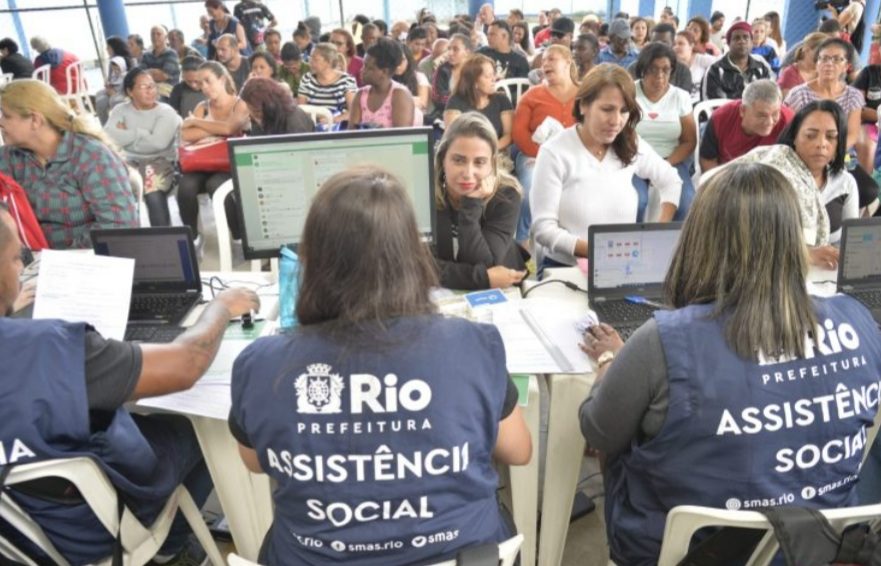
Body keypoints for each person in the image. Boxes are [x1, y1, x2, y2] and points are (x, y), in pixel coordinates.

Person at [579, 162, 881, 565]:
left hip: (688, 553)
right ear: (793, 239)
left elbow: (598, 430)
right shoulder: (858, 319)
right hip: (817, 547)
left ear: (700, 238)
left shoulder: (663, 341)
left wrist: (610, 359)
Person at [229, 164, 531, 564]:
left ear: (313, 258)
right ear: (413, 253)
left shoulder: (261, 363)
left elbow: (255, 462)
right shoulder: (473, 345)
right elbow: (519, 450)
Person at [0, 201, 260, 564]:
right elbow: (187, 365)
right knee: (199, 430)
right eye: (16, 259)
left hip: (20, 538)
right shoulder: (46, 347)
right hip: (93, 532)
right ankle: (172, 546)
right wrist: (221, 306)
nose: (21, 269)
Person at [531, 64, 681, 270]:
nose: (616, 121)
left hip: (621, 267)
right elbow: (543, 229)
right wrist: (602, 250)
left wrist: (658, 231)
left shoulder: (630, 143)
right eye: (607, 109)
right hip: (566, 270)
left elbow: (671, 180)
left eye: (624, 111)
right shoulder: (555, 152)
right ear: (583, 105)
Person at [0, 80, 136, 249]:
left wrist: (59, 260)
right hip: (26, 262)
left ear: (35, 119)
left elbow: (119, 226)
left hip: (86, 262)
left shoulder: (90, 156)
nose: (1, 123)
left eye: (6, 115)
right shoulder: (8, 157)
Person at [433, 112, 527, 289]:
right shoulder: (426, 191)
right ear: (443, 158)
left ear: (492, 163)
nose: (468, 173)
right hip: (442, 295)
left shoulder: (507, 195)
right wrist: (481, 278)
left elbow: (487, 264)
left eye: (479, 162)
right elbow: (418, 267)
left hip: (502, 296)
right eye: (459, 160)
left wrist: (470, 206)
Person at [512, 44, 579, 242]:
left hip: (576, 157)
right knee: (529, 193)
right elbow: (519, 133)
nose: (545, 64)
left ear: (568, 63)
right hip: (534, 156)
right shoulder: (531, 96)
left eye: (552, 59)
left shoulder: (586, 94)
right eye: (543, 61)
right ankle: (521, 243)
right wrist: (543, 156)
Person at [177, 61, 249, 244]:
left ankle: (238, 235)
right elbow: (186, 133)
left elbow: (231, 128)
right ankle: (192, 238)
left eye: (208, 81)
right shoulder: (203, 106)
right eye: (201, 83)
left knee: (215, 186)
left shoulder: (240, 104)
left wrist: (197, 122)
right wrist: (219, 128)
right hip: (202, 162)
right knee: (185, 187)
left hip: (227, 162)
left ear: (222, 79)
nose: (205, 88)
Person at [104, 68, 181, 227]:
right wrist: (141, 133)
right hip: (129, 162)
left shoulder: (166, 112)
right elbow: (108, 137)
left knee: (152, 193)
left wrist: (126, 137)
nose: (150, 91)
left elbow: (158, 144)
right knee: (112, 190)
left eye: (152, 86)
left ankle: (165, 241)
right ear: (130, 92)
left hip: (161, 162)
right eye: (143, 87)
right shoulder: (120, 110)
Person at [632, 44, 696, 222]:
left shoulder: (680, 97)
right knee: (636, 201)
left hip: (671, 160)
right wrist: (645, 165)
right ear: (643, 69)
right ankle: (631, 245)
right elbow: (620, 136)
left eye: (665, 70)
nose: (659, 76)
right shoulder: (629, 92)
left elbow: (689, 141)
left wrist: (664, 165)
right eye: (653, 69)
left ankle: (672, 247)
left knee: (686, 203)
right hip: (634, 160)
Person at [699, 79, 794, 173]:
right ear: (743, 110)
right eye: (761, 115)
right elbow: (708, 160)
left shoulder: (788, 121)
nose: (769, 122)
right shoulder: (720, 118)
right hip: (728, 175)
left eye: (775, 114)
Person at [785, 38, 864, 151]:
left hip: (839, 152)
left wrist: (832, 153)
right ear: (817, 64)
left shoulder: (854, 96)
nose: (829, 63)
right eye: (824, 58)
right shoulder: (798, 94)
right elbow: (791, 132)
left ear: (846, 67)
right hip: (804, 152)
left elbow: (852, 134)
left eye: (837, 59)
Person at [349, 38, 421, 129]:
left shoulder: (399, 95)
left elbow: (402, 138)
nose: (362, 70)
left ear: (384, 72)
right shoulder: (360, 95)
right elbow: (352, 134)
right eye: (363, 65)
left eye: (369, 67)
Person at [445, 54, 513, 149]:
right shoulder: (455, 101)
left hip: (496, 152)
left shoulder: (502, 100)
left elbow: (508, 135)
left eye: (493, 74)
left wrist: (489, 150)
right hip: (464, 152)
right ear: (474, 81)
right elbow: (452, 137)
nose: (494, 79)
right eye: (488, 76)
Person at [702, 22, 772, 101]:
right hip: (726, 113)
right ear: (728, 44)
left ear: (752, 43)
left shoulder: (761, 68)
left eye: (746, 37)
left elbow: (769, 97)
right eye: (736, 38)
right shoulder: (716, 70)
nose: (742, 41)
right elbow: (713, 103)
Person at [296, 42, 357, 126]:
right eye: (310, 58)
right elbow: (302, 109)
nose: (310, 62)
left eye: (315, 59)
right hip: (312, 127)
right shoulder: (307, 79)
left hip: (338, 129)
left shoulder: (346, 81)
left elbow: (353, 112)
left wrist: (331, 120)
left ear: (328, 62)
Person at [240, 77, 313, 135]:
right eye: (249, 109)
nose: (252, 115)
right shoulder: (259, 118)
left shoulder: (293, 122)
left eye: (257, 112)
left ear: (271, 105)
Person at [430, 34, 473, 120]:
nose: (450, 53)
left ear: (467, 52)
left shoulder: (476, 70)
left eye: (455, 49)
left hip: (473, 115)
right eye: (449, 49)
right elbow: (437, 98)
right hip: (445, 115)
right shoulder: (442, 70)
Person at [777, 32, 826, 99]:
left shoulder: (824, 74)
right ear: (807, 50)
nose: (822, 60)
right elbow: (789, 105)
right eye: (818, 55)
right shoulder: (790, 73)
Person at [674, 30, 718, 103]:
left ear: (691, 46)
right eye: (674, 44)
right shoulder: (671, 63)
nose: (676, 47)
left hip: (698, 104)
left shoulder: (700, 59)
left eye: (681, 44)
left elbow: (722, 62)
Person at [141, 25, 181, 100]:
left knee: (152, 100)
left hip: (167, 89)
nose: (155, 37)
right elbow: (140, 75)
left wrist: (147, 72)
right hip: (148, 87)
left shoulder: (171, 54)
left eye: (158, 34)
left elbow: (163, 76)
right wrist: (153, 72)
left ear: (165, 38)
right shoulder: (146, 55)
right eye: (152, 34)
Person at [392, 45, 430, 115]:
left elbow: (422, 103)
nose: (398, 64)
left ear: (408, 60)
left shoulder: (419, 77)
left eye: (402, 60)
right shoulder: (386, 78)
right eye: (395, 60)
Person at [95, 55, 128, 124]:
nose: (116, 71)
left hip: (119, 94)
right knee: (100, 101)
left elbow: (125, 89)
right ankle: (105, 125)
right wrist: (108, 85)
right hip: (110, 92)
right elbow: (110, 82)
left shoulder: (126, 76)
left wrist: (114, 93)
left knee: (115, 100)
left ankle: (120, 124)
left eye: (117, 69)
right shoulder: (113, 76)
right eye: (114, 69)